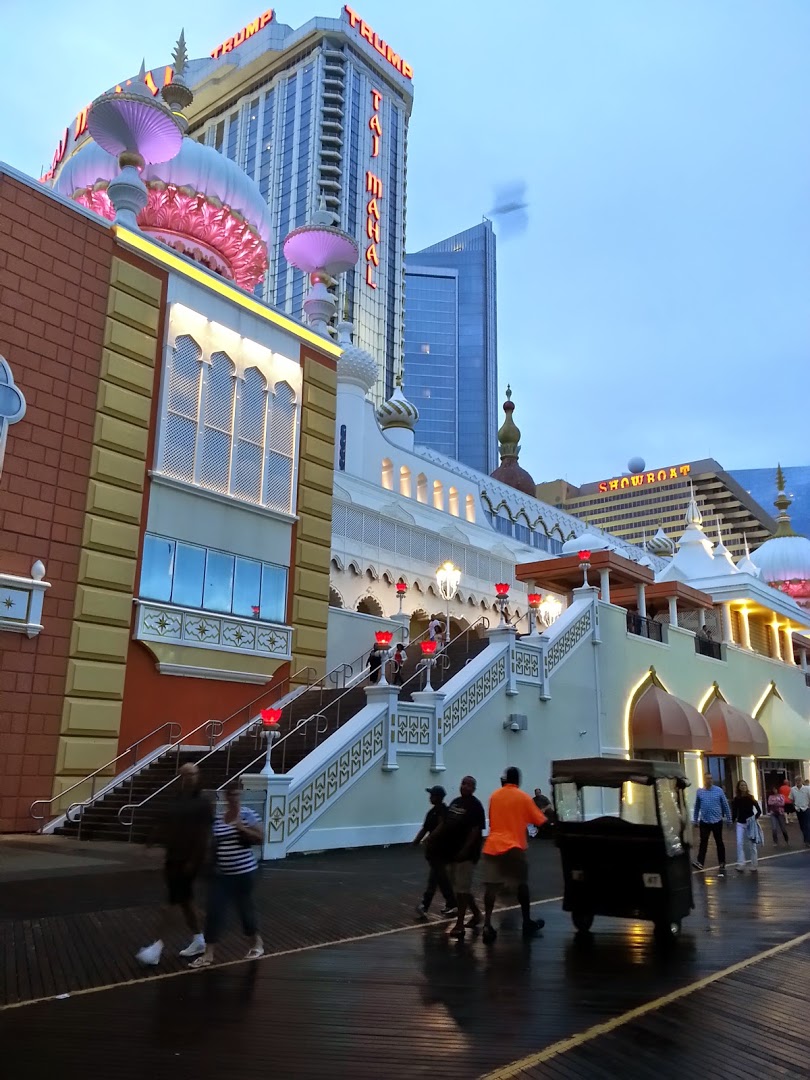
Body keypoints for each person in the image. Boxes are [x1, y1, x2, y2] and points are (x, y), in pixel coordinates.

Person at [136, 762, 213, 965]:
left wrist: (195, 860)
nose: (189, 778)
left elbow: (204, 835)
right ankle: (200, 938)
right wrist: (151, 842)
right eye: (185, 775)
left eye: (192, 774)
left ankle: (156, 947)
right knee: (186, 902)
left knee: (170, 904)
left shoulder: (203, 804)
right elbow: (165, 823)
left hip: (188, 861)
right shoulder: (176, 801)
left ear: (198, 776)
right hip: (174, 858)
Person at [189, 781, 265, 968]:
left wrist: (242, 828)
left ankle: (256, 943)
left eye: (236, 794)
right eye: (230, 794)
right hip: (222, 874)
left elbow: (261, 837)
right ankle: (208, 953)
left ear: (240, 795)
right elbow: (214, 843)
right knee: (214, 911)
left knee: (245, 909)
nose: (233, 798)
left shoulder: (248, 814)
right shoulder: (219, 818)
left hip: (244, 872)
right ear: (225, 796)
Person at [480, 766, 546, 944]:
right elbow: (540, 820)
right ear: (518, 780)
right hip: (514, 847)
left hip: (492, 845)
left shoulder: (494, 796)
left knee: (491, 888)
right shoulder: (523, 797)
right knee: (522, 885)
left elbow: (493, 820)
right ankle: (527, 921)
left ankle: (487, 924)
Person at [429, 776, 486, 941]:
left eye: (469, 785)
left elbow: (475, 830)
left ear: (474, 789)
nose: (465, 787)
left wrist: (465, 850)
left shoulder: (475, 806)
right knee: (460, 888)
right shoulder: (455, 803)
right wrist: (433, 837)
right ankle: (476, 914)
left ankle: (460, 924)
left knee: (461, 890)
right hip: (451, 853)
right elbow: (445, 824)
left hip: (466, 855)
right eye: (463, 783)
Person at [414, 786, 456, 919]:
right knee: (438, 878)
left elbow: (441, 825)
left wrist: (429, 838)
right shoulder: (431, 812)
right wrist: (416, 841)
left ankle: (426, 905)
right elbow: (425, 828)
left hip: (440, 850)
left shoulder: (443, 811)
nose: (430, 797)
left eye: (432, 795)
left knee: (438, 878)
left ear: (439, 797)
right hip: (433, 851)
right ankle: (450, 903)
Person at [692, 772, 731, 875]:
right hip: (704, 821)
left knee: (719, 841)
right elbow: (697, 806)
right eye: (707, 778)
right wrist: (695, 820)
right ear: (704, 780)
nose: (709, 780)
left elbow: (725, 805)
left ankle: (722, 862)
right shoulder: (700, 792)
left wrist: (729, 819)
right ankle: (700, 862)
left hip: (717, 820)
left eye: (711, 778)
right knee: (703, 841)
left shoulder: (718, 791)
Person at [731, 780, 762, 873]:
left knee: (752, 844)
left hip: (750, 823)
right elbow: (734, 812)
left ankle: (754, 864)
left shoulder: (750, 797)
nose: (743, 787)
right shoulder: (736, 799)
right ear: (739, 787)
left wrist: (754, 818)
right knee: (739, 843)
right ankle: (741, 864)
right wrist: (732, 821)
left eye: (745, 785)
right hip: (740, 823)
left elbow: (759, 810)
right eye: (741, 785)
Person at [790, 776, 810, 845]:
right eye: (796, 781)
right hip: (798, 809)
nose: (798, 782)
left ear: (802, 781)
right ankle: (806, 838)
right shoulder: (793, 789)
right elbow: (791, 799)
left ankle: (807, 840)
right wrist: (794, 806)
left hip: (806, 808)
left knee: (807, 825)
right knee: (802, 825)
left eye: (799, 780)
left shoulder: (807, 789)